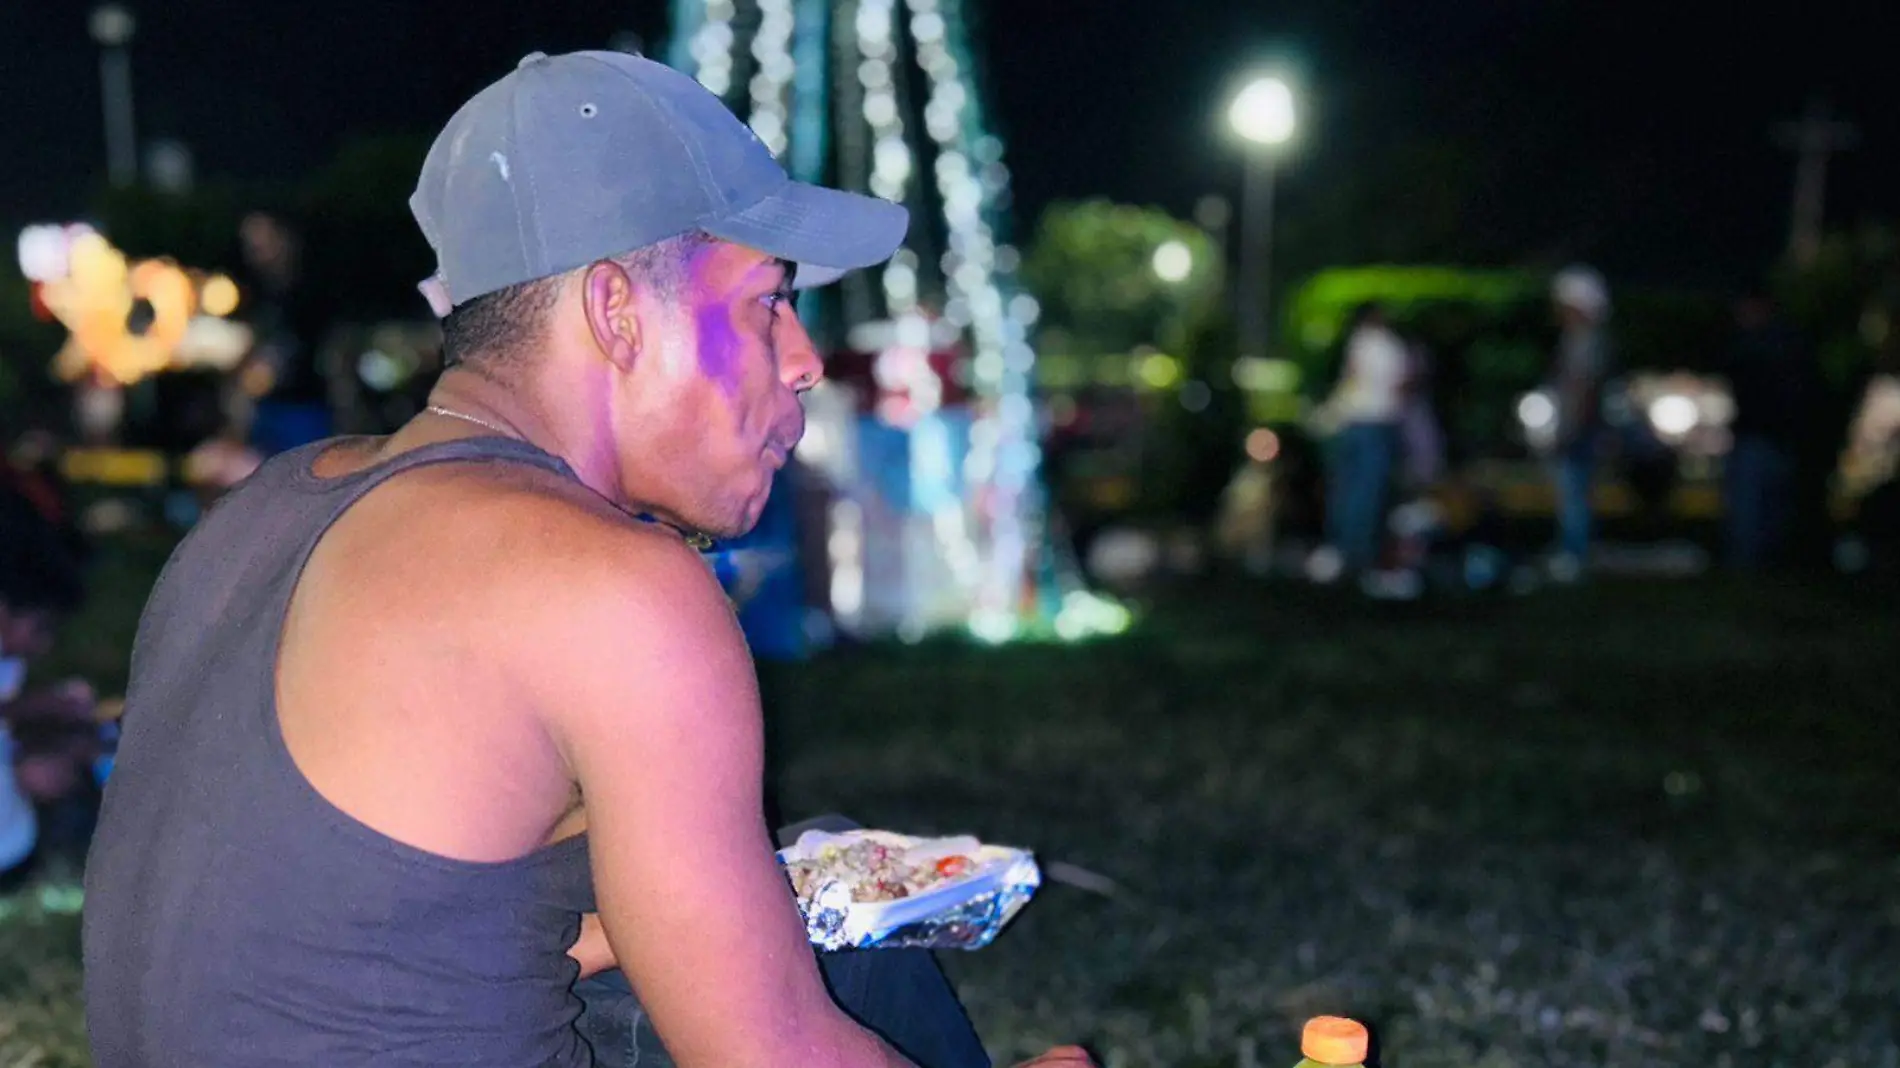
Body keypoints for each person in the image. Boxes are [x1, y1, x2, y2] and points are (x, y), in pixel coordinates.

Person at [81, 51, 1090, 1068]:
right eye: (765, 303)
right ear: (615, 313)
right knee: (819, 976)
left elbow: (330, 927)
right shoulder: (609, 583)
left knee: (792, 889)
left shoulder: (268, 507)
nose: (803, 360)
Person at [1722, 285, 1819, 570]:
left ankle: (1758, 564)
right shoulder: (1750, 343)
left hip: (1770, 437)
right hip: (1760, 435)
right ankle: (1752, 565)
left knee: (1760, 507)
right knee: (1754, 506)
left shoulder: (1773, 345)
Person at [1315, 302, 1409, 578]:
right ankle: (1359, 553)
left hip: (1355, 422)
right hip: (1379, 423)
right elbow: (1400, 386)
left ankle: (1342, 550)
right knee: (1368, 490)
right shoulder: (1392, 346)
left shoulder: (1360, 342)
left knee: (1348, 489)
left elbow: (1351, 380)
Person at [1544, 266, 1614, 582]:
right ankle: (1573, 552)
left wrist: (1570, 429)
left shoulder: (1585, 341)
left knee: (1574, 494)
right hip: (1578, 427)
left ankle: (1575, 556)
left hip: (1578, 430)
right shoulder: (1578, 339)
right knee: (1574, 493)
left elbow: (1584, 387)